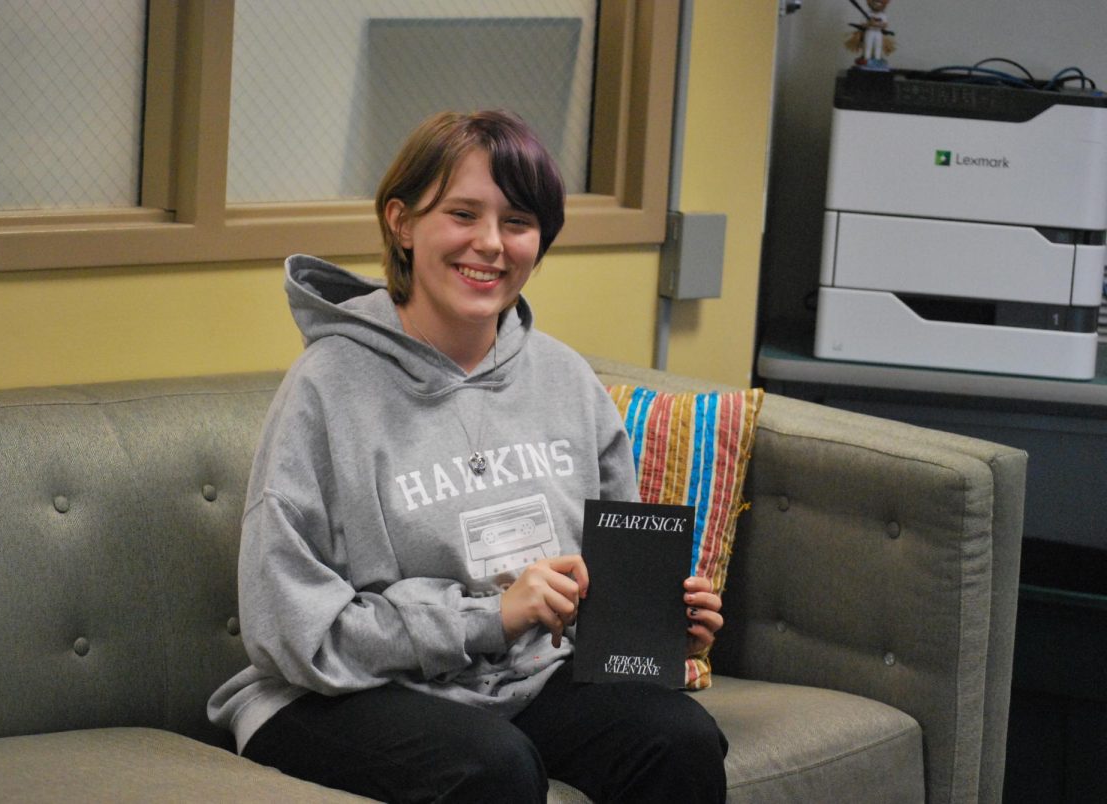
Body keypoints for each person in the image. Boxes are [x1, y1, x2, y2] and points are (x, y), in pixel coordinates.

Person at [207, 109, 728, 803]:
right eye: (462, 214)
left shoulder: (566, 379)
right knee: (493, 768)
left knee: (681, 739)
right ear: (402, 222)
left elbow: (604, 591)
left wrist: (660, 628)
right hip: (335, 691)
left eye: (517, 222)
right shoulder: (325, 389)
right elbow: (293, 633)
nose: (490, 244)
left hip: (523, 678)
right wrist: (490, 616)